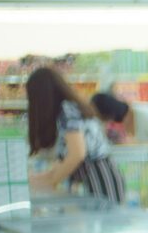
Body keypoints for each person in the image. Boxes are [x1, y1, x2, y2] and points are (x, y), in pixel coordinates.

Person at [26, 67, 125, 203]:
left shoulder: (67, 110)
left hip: (99, 181)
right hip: (97, 177)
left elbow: (77, 154)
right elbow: (68, 158)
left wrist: (50, 182)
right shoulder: (69, 108)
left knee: (102, 222)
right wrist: (40, 178)